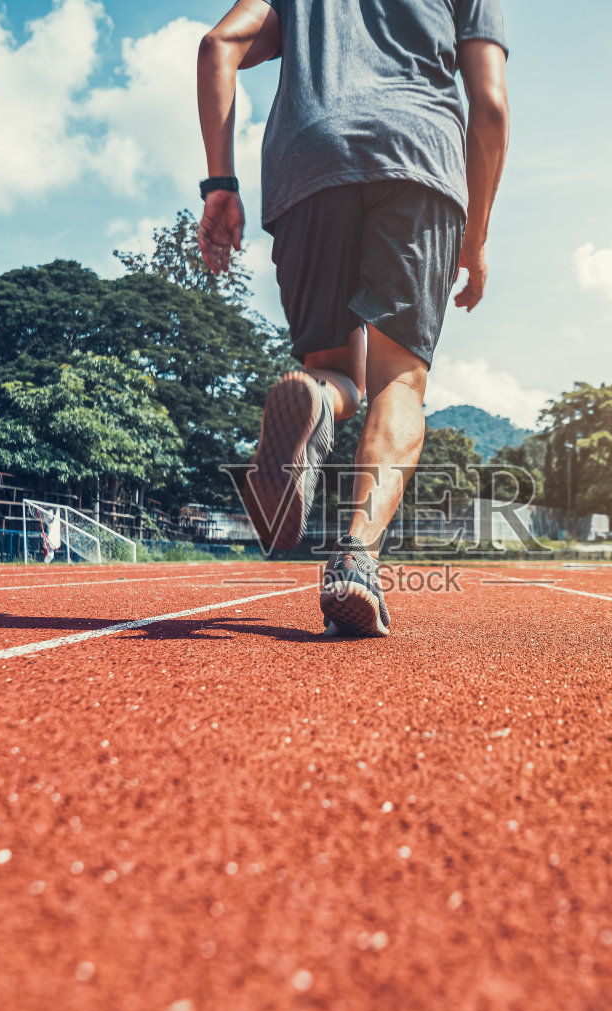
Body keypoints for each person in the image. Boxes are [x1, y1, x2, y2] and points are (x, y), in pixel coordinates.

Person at [196, 0, 510, 637]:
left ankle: (313, 401)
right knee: (399, 378)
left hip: (308, 159)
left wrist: (219, 184)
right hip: (418, 156)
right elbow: (492, 105)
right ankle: (354, 559)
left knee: (334, 370)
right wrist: (474, 238)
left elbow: (217, 46)